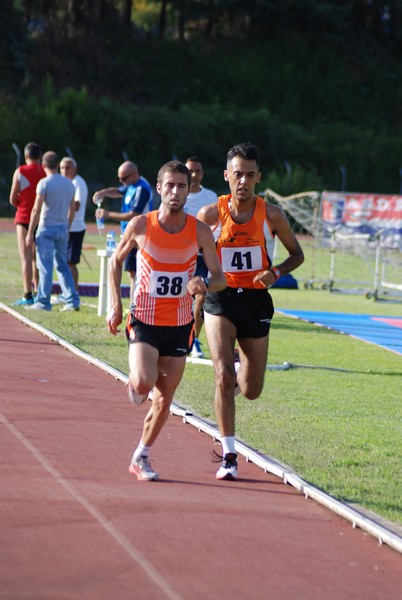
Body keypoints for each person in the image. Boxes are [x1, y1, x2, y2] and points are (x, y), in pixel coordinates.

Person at [107, 160, 226, 481]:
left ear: (189, 191)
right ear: (158, 188)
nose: (175, 192)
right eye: (170, 185)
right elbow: (115, 262)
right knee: (145, 382)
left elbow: (220, 277)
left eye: (182, 186)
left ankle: (140, 456)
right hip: (144, 319)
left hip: (179, 325)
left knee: (164, 399)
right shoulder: (141, 225)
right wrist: (116, 306)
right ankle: (135, 383)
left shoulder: (199, 231)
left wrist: (204, 283)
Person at [197, 142, 304, 481]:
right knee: (223, 375)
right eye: (236, 174)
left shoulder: (271, 214)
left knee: (251, 388)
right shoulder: (210, 215)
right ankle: (229, 454)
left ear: (259, 177)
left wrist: (276, 272)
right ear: (226, 176)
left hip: (256, 302)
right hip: (221, 299)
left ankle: (238, 372)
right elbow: (193, 262)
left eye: (249, 175)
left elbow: (297, 254)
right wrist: (194, 310)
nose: (242, 181)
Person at [25, 151, 80, 312]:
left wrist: (29, 233)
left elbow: (36, 208)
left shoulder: (44, 183)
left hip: (46, 227)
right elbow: (72, 209)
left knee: (45, 266)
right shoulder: (69, 184)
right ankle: (72, 299)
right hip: (62, 228)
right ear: (57, 165)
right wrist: (67, 227)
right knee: (62, 265)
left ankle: (43, 301)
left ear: (43, 166)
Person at [93, 161, 153, 301]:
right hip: (130, 235)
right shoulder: (131, 185)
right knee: (132, 272)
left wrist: (107, 214)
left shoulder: (141, 189)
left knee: (137, 273)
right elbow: (118, 191)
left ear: (133, 175)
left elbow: (133, 214)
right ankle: (134, 304)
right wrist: (103, 193)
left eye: (123, 178)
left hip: (140, 236)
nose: (121, 181)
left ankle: (135, 305)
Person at [184, 156, 218, 359]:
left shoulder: (210, 196)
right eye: (190, 171)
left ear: (202, 174)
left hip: (204, 257)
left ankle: (193, 340)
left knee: (201, 297)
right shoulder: (179, 196)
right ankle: (179, 337)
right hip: (182, 257)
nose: (193, 175)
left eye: (197, 171)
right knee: (182, 300)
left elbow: (218, 226)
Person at [9, 142, 46, 305]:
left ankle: (27, 294)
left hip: (23, 218)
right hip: (41, 219)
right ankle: (38, 291)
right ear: (40, 156)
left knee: (26, 257)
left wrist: (22, 204)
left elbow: (12, 198)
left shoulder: (20, 171)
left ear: (25, 156)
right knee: (38, 258)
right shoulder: (46, 172)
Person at [59, 156, 88, 292]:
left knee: (70, 263)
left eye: (67, 168)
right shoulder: (66, 183)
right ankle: (67, 292)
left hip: (75, 228)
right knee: (64, 262)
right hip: (67, 226)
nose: (64, 171)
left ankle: (74, 293)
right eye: (62, 168)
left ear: (74, 169)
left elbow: (76, 205)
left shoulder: (77, 183)